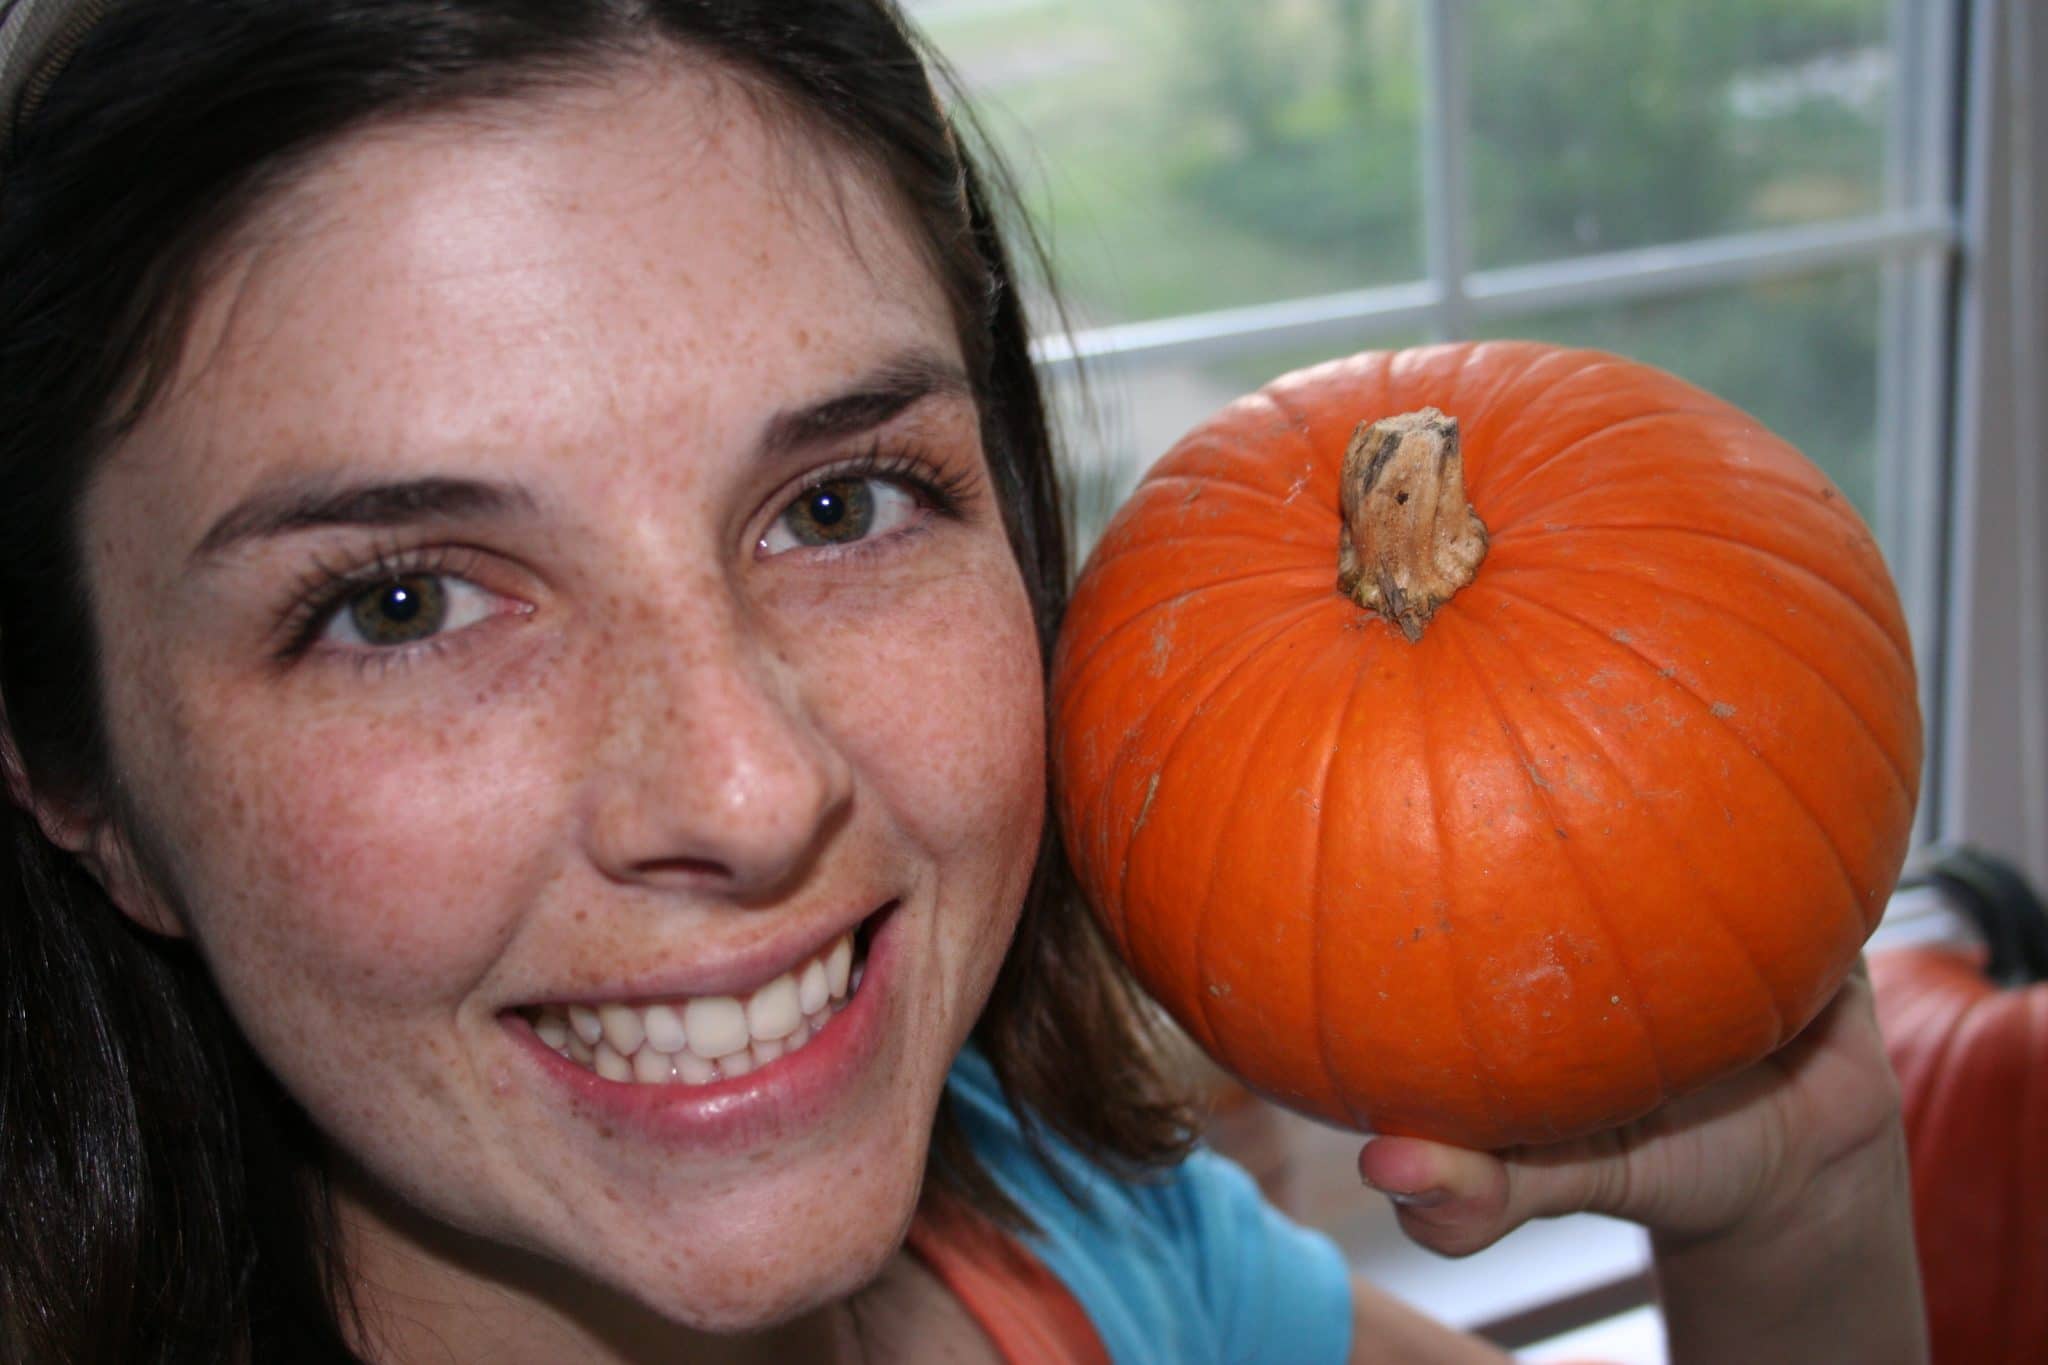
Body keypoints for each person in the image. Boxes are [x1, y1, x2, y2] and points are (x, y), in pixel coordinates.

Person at [0, 1, 1927, 1361]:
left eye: (837, 503)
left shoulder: (1085, 1235)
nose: (750, 790)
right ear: (82, 779)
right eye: (406, 603)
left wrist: (1805, 1196)